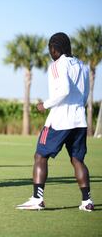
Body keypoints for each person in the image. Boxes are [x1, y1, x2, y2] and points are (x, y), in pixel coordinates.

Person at [16, 32, 93, 211]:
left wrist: (46, 105)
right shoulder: (83, 66)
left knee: (40, 155)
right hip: (79, 121)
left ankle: (37, 199)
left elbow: (64, 90)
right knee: (77, 160)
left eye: (50, 49)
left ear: (54, 48)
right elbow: (85, 94)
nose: (50, 53)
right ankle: (86, 201)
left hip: (59, 121)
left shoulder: (58, 64)